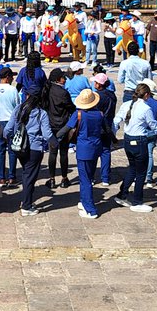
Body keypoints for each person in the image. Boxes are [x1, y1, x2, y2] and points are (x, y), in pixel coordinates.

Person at [3, 80, 54, 215]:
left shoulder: (18, 109)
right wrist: (55, 142)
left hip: (19, 148)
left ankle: (26, 200)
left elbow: (8, 129)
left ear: (27, 96)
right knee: (29, 177)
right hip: (34, 149)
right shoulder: (41, 113)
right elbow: (47, 134)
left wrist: (8, 138)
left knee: (26, 173)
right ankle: (26, 206)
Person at [59, 89, 109, 219]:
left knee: (84, 179)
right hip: (96, 148)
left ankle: (90, 209)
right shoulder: (100, 114)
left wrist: (54, 138)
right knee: (89, 176)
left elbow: (67, 129)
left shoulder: (79, 114)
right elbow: (107, 129)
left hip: (83, 150)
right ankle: (83, 200)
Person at [114, 83, 157, 212]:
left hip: (128, 140)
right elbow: (153, 124)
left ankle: (122, 194)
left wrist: (113, 133)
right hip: (139, 141)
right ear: (146, 95)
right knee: (141, 173)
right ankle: (137, 201)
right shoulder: (145, 108)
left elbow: (117, 119)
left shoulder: (126, 104)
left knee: (132, 169)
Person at [0, 67, 21, 186]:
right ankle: (12, 177)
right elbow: (18, 107)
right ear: (7, 77)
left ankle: (1, 177)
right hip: (10, 121)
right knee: (12, 150)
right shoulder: (13, 90)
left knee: (0, 150)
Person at [44, 67, 74, 189]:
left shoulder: (47, 90)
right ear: (58, 79)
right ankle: (64, 178)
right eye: (63, 77)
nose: (65, 79)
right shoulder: (63, 93)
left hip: (50, 125)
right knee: (63, 152)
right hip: (62, 125)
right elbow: (71, 107)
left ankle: (51, 179)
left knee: (52, 152)